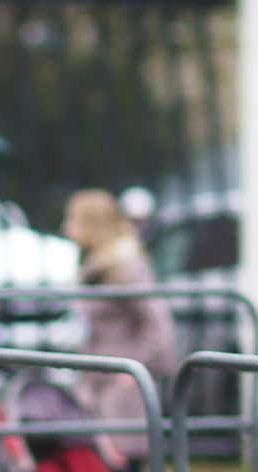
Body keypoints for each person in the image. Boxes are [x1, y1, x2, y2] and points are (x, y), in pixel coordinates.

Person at [61, 187, 178, 443]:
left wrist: (135, 371)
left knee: (126, 466)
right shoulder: (94, 268)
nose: (66, 228)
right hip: (97, 380)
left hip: (121, 383)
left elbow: (159, 327)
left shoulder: (127, 268)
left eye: (72, 220)